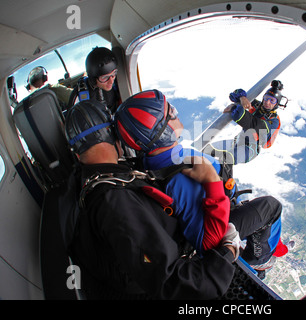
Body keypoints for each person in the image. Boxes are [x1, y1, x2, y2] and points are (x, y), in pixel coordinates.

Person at [61, 99, 239, 299]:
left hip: (149, 258)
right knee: (267, 207)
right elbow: (183, 285)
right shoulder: (114, 201)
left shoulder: (88, 178)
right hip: (160, 282)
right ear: (110, 134)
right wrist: (228, 251)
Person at [114, 89, 288, 274]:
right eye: (170, 112)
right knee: (271, 207)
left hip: (221, 198)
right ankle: (258, 261)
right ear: (161, 131)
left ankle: (270, 243)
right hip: (221, 222)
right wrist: (212, 181)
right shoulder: (178, 178)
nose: (175, 112)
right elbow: (208, 242)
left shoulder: (159, 159)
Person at [205, 80, 285, 164]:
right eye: (266, 98)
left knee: (226, 160)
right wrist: (242, 98)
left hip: (250, 148)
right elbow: (234, 93)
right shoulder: (256, 105)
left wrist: (235, 109)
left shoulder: (274, 121)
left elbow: (258, 125)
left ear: (277, 103)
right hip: (237, 141)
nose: (267, 102)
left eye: (272, 100)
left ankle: (217, 175)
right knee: (206, 150)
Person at [68, 47, 121, 113]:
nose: (111, 81)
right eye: (104, 77)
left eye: (113, 74)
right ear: (93, 78)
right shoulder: (78, 96)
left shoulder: (119, 83)